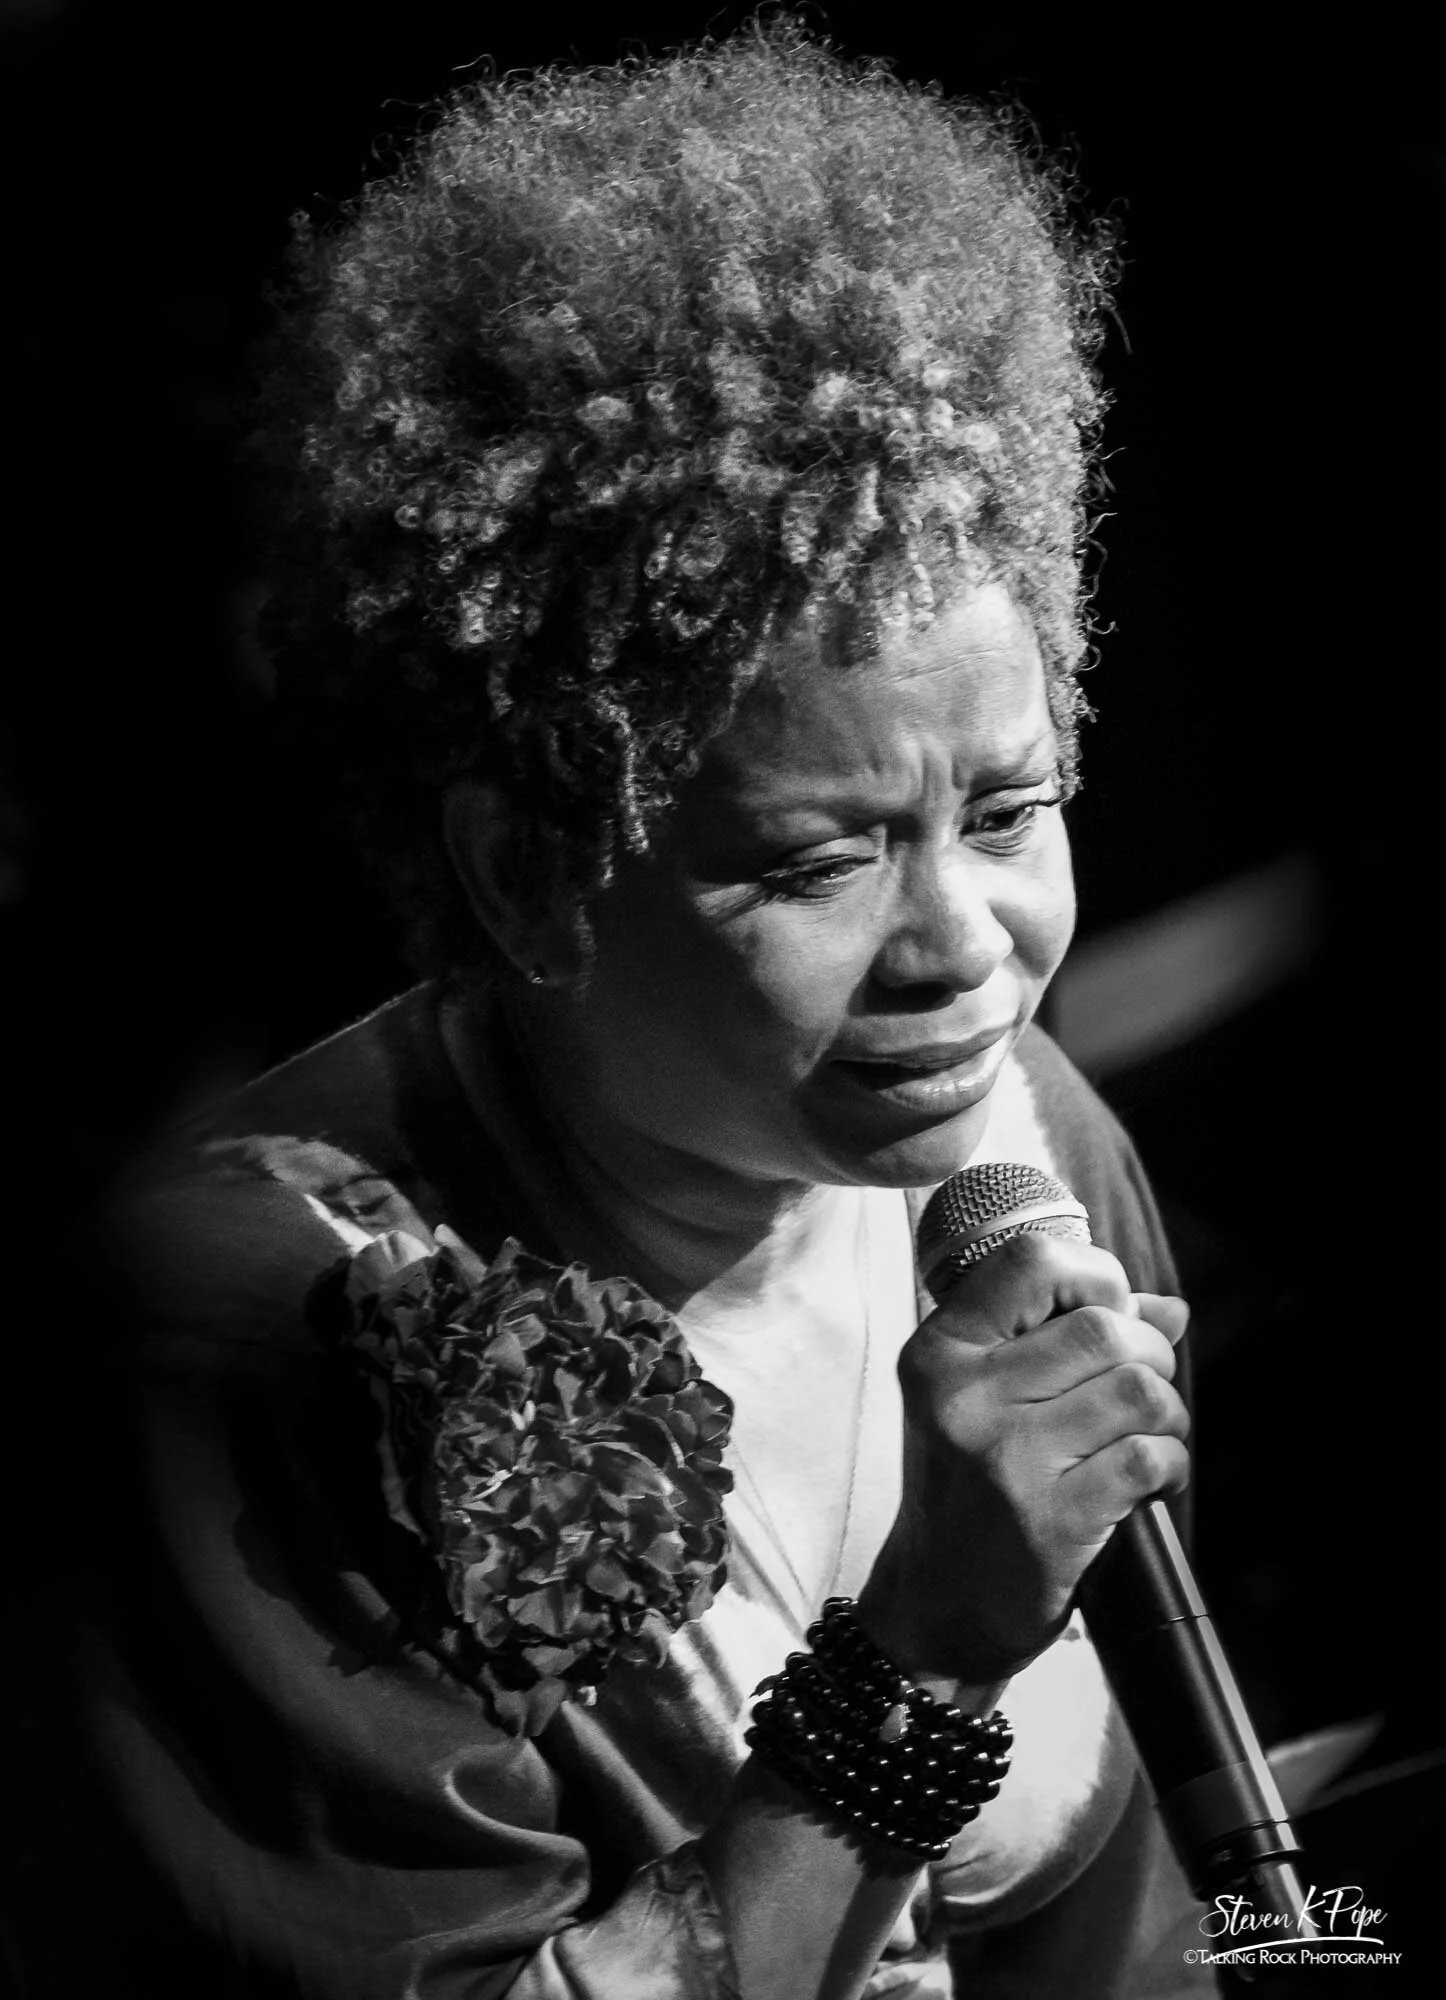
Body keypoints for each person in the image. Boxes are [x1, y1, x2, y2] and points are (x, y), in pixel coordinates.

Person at [59, 24, 1214, 1999]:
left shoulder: (1023, 1161)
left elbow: (1152, 1923)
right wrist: (921, 1661)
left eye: (1008, 811)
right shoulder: (249, 1351)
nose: (962, 947)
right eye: (819, 861)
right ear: (529, 873)